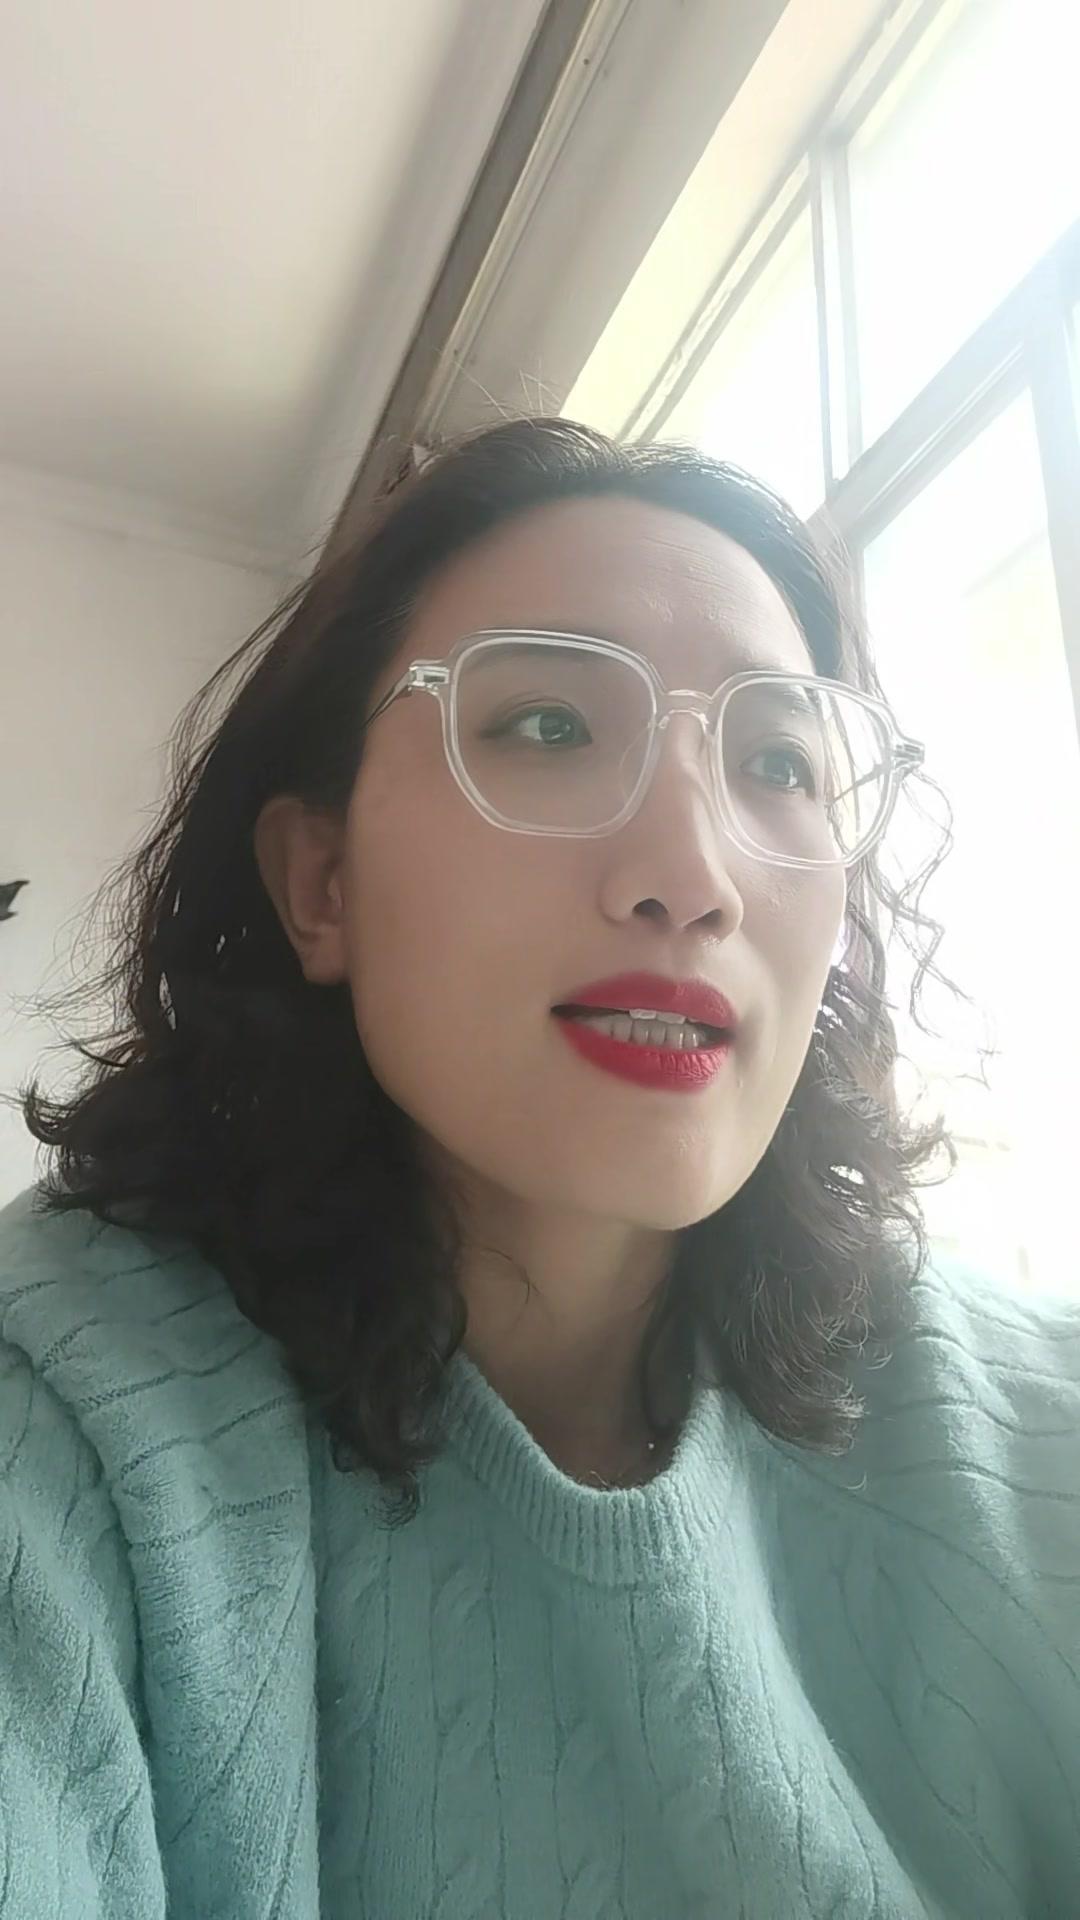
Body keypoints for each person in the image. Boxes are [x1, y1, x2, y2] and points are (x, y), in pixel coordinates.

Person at [1, 417, 1076, 1919]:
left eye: (779, 761)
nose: (694, 876)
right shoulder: (63, 1416)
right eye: (551, 726)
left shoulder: (1031, 1431)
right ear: (323, 885)